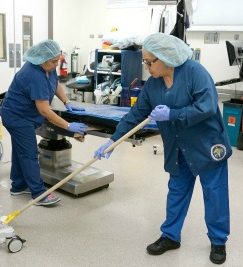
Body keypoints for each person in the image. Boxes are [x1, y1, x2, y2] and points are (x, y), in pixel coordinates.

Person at [94, 33, 231, 264]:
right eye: (144, 62)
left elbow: (206, 107)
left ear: (167, 57)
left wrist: (173, 114)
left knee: (214, 193)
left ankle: (218, 241)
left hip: (206, 144)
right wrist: (113, 140)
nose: (146, 67)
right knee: (176, 191)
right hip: (178, 147)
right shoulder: (154, 83)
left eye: (150, 62)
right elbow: (137, 114)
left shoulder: (194, 73)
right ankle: (170, 236)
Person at [0, 39, 88, 206]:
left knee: (21, 151)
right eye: (53, 61)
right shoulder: (34, 74)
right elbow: (44, 110)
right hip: (17, 117)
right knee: (29, 154)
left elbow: (55, 85)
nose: (56, 64)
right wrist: (69, 127)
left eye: (58, 60)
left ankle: (18, 186)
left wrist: (67, 102)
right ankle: (39, 193)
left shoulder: (48, 67)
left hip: (23, 115)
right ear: (41, 59)